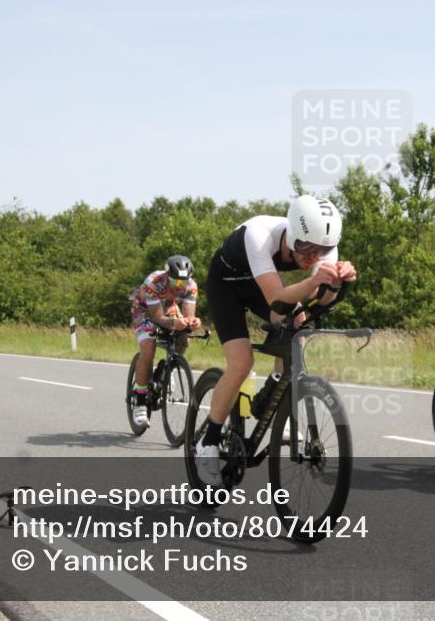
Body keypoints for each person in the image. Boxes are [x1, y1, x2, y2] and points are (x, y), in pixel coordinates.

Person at [196, 195, 357, 485]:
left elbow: (318, 303)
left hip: (261, 283)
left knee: (299, 324)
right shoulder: (258, 235)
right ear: (293, 235)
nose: (313, 257)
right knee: (242, 362)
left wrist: (335, 284)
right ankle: (208, 441)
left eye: (323, 250)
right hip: (228, 287)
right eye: (307, 249)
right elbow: (276, 299)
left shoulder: (322, 248)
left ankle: (272, 391)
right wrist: (314, 280)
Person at [129, 255, 201, 427]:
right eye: (176, 282)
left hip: (168, 308)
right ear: (167, 276)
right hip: (144, 310)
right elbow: (158, 317)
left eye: (182, 283)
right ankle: (140, 401)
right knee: (148, 348)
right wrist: (174, 323)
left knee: (184, 341)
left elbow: (189, 313)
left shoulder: (191, 286)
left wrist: (192, 322)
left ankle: (169, 368)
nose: (179, 287)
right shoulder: (153, 282)